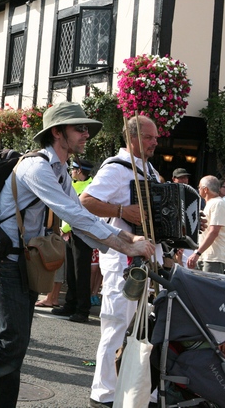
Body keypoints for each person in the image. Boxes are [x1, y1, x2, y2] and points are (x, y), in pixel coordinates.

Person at [0, 103, 156, 408]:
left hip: (22, 262)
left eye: (86, 128)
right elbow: (73, 213)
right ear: (57, 133)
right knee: (11, 344)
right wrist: (124, 246)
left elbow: (79, 220)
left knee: (12, 345)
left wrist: (125, 237)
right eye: (79, 128)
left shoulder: (59, 170)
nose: (86, 134)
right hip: (1, 260)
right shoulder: (35, 167)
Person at [79, 115, 161, 408]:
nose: (155, 142)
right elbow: (85, 202)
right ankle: (103, 394)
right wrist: (122, 211)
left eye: (155, 138)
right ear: (133, 138)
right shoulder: (116, 168)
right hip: (122, 259)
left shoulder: (149, 170)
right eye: (150, 138)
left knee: (144, 329)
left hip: (147, 259)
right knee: (116, 324)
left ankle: (137, 390)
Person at [46, 157, 95, 318]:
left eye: (73, 169)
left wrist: (64, 228)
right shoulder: (72, 184)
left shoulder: (91, 187)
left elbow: (81, 211)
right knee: (71, 272)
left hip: (82, 232)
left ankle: (82, 309)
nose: (71, 172)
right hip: (69, 232)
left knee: (81, 273)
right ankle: (71, 303)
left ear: (79, 171)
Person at [187, 175, 225, 273]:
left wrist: (197, 253)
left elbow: (214, 232)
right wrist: (197, 253)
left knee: (209, 288)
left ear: (205, 189)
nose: (198, 189)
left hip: (214, 257)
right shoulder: (211, 204)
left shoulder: (218, 204)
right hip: (205, 256)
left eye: (199, 187)